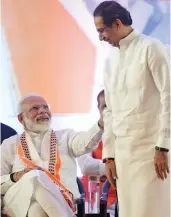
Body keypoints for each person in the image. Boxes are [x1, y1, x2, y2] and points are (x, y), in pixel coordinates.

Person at [93, 1, 170, 217]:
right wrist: (108, 155)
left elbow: (169, 97)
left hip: (152, 153)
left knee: (152, 210)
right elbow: (108, 111)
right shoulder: (109, 61)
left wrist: (163, 147)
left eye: (102, 30)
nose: (101, 37)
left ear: (117, 24)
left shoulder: (151, 48)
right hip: (123, 157)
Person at [0, 94, 104, 217]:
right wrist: (17, 176)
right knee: (35, 176)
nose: (43, 111)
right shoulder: (9, 144)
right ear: (21, 118)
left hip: (63, 201)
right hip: (20, 201)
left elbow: (86, 142)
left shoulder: (66, 137)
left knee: (37, 211)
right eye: (35, 108)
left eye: (46, 107)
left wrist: (100, 124)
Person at [78, 90, 116, 216]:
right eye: (104, 106)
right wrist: (114, 167)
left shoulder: (129, 136)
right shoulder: (88, 134)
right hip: (88, 200)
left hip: (117, 200)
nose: (108, 111)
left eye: (113, 105)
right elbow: (85, 166)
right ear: (98, 109)